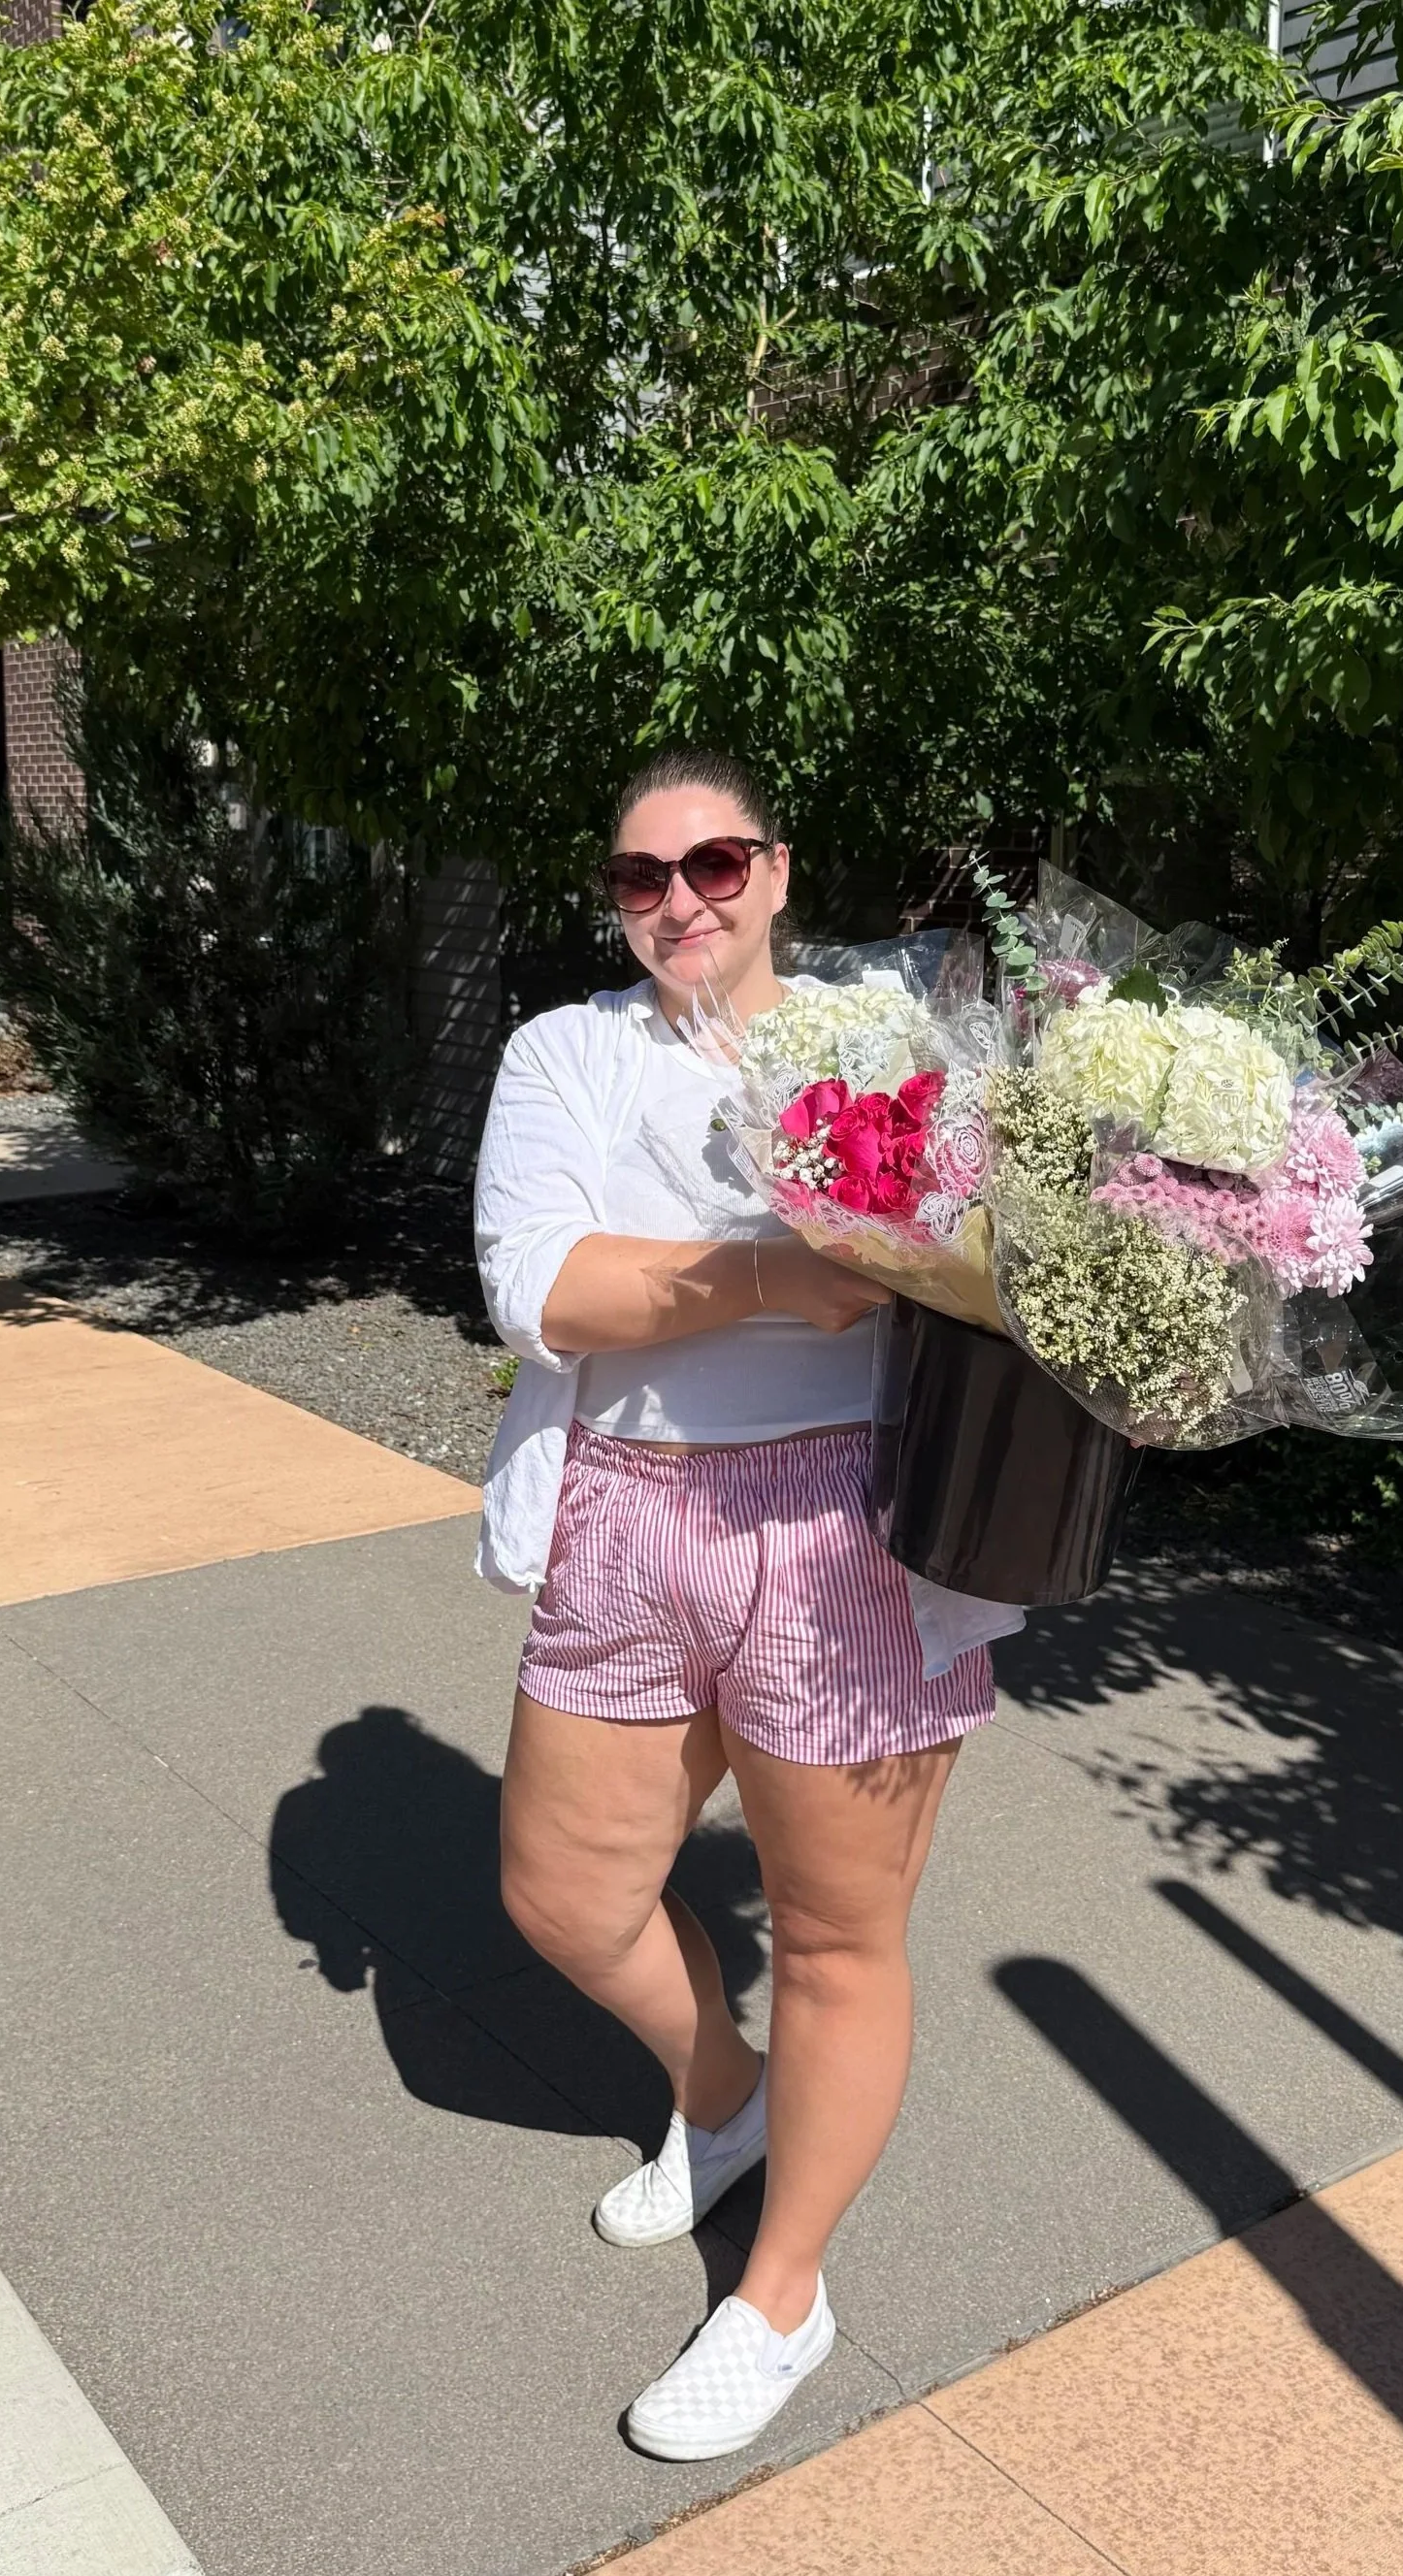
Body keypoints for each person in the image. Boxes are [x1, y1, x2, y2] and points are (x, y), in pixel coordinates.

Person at [473, 744, 995, 2461]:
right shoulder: (567, 1051)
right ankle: (725, 2098)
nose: (678, 900)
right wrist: (785, 1268)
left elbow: (993, 1263)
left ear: (775, 871)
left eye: (713, 863)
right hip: (626, 1512)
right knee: (565, 1892)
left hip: (845, 1524)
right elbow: (539, 1283)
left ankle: (781, 2295)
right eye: (641, 876)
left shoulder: (893, 1043)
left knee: (837, 1934)